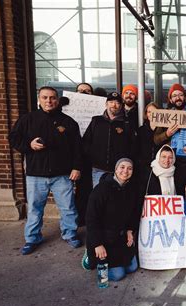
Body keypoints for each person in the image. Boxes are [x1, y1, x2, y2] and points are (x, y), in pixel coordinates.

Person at [8, 86, 83, 255]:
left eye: (52, 98)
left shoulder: (68, 122)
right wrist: (29, 145)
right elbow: (13, 138)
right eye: (45, 98)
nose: (49, 101)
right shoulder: (27, 119)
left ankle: (70, 234)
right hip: (36, 174)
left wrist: (76, 167)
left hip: (62, 174)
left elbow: (78, 148)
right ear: (39, 99)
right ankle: (32, 238)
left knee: (68, 207)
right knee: (35, 208)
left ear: (57, 100)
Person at [82, 158, 141, 282]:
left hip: (120, 238)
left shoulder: (131, 189)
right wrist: (97, 244)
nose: (125, 171)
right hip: (103, 239)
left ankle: (111, 263)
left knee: (132, 268)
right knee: (118, 275)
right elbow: (91, 218)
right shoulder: (101, 189)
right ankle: (90, 256)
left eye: (129, 168)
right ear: (115, 169)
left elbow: (134, 213)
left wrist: (130, 230)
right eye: (122, 167)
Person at [153, 83, 186, 194]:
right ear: (171, 99)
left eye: (180, 94)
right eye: (174, 95)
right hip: (173, 163)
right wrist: (167, 134)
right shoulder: (165, 116)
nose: (178, 98)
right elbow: (156, 140)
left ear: (185, 97)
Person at [82, 92, 136, 188]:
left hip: (119, 170)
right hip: (98, 168)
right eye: (111, 102)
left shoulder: (127, 123)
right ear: (106, 104)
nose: (114, 105)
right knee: (99, 196)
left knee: (118, 199)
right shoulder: (96, 121)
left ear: (121, 106)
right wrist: (92, 157)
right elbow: (86, 141)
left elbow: (133, 146)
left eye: (117, 103)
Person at [74, 82, 94, 226]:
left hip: (93, 156)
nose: (84, 93)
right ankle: (80, 218)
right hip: (76, 154)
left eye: (87, 91)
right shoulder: (68, 108)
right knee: (80, 190)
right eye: (81, 91)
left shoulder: (97, 108)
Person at [137, 102, 161, 178]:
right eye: (149, 112)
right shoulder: (141, 130)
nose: (151, 114)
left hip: (160, 167)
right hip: (144, 167)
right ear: (146, 114)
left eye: (154, 111)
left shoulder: (163, 129)